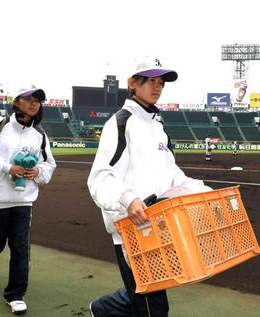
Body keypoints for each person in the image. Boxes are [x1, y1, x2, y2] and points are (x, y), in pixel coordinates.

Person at [87, 57, 206, 317]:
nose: (157, 87)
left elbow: (173, 174)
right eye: (151, 80)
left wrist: (203, 192)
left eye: (161, 82)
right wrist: (128, 199)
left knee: (142, 294)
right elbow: (99, 177)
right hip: (132, 230)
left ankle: (102, 309)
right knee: (153, 307)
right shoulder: (120, 123)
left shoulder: (159, 128)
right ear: (133, 83)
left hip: (161, 227)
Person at [0, 87, 56, 315]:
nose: (34, 103)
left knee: (20, 248)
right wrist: (8, 168)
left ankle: (15, 293)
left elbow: (49, 166)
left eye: (37, 100)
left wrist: (36, 172)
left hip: (23, 202)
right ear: (16, 102)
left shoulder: (39, 134)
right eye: (28, 99)